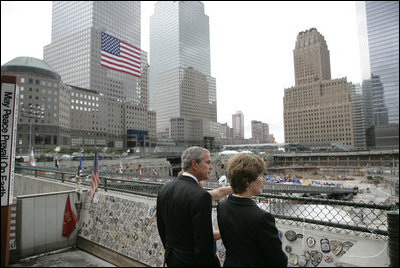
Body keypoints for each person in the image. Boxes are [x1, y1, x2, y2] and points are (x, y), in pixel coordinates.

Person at [217, 153, 288, 267]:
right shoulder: (262, 218)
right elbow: (278, 260)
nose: (263, 180)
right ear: (247, 182)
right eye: (260, 176)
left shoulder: (222, 206)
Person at [157, 146, 222, 267]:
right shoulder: (201, 196)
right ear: (195, 164)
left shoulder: (165, 189)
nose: (211, 167)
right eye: (208, 162)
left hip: (173, 260)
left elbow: (162, 228)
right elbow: (204, 243)